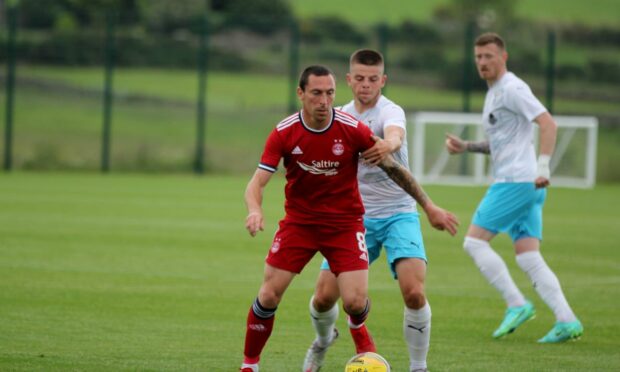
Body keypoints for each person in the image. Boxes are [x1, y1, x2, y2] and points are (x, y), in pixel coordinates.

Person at [240, 65, 451, 372]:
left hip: (345, 225)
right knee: (269, 294)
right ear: (300, 94)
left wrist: (429, 206)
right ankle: (250, 365)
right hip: (300, 225)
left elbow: (393, 167)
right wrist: (255, 210)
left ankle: (358, 329)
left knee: (354, 302)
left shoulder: (351, 128)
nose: (324, 101)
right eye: (316, 93)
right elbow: (256, 183)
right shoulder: (284, 132)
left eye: (329, 93)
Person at [301, 50, 458, 372]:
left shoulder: (391, 111)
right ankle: (323, 340)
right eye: (359, 78)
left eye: (373, 79)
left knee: (414, 292)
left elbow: (395, 134)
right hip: (352, 220)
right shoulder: (339, 115)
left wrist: (390, 144)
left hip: (399, 213)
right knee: (323, 299)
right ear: (348, 80)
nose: (366, 85)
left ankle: (418, 367)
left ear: (382, 81)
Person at [444, 32, 583, 343]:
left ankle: (516, 303)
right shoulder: (494, 93)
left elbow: (548, 123)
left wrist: (545, 166)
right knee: (528, 256)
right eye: (478, 57)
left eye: (488, 56)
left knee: (474, 243)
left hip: (517, 182)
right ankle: (567, 320)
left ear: (503, 57)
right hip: (526, 184)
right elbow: (500, 143)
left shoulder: (512, 88)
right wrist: (466, 146)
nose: (482, 62)